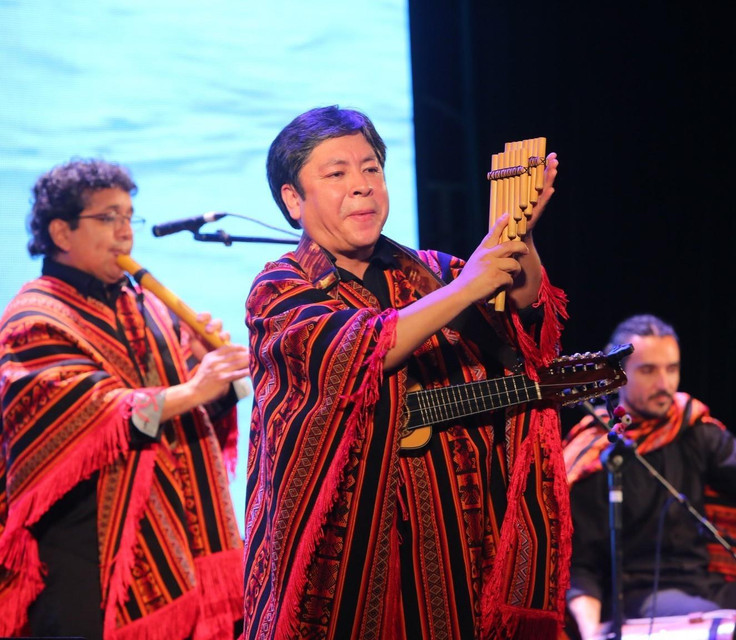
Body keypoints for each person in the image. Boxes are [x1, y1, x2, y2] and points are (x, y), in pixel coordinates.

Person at [243, 106, 571, 639]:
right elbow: (354, 351)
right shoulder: (279, 289)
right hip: (343, 556)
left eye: (371, 168)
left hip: (455, 539)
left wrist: (520, 236)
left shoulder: (432, 272)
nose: (362, 187)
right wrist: (466, 288)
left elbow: (522, 311)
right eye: (337, 173)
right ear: (293, 200)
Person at [0, 159, 249, 639]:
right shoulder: (34, 318)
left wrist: (205, 369)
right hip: (82, 541)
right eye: (108, 218)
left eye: (128, 217)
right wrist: (193, 388)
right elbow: (91, 413)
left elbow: (190, 403)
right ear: (61, 231)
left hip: (178, 525)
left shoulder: (145, 303)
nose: (125, 233)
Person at [563, 314, 736, 640]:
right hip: (635, 594)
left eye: (672, 369)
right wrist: (590, 631)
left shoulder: (691, 425)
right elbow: (581, 565)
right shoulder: (593, 455)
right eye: (649, 370)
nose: (664, 383)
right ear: (616, 375)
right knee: (732, 629)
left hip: (702, 584)